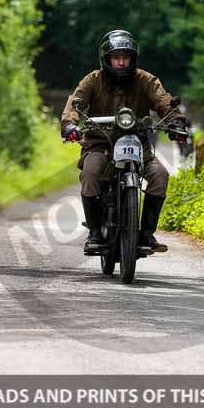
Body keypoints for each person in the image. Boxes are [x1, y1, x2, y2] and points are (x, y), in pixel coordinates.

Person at [61, 29, 185, 254]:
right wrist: (70, 125)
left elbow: (163, 100)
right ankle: (95, 232)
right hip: (100, 144)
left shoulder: (145, 79)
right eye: (116, 57)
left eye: (125, 57)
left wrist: (175, 121)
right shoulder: (93, 79)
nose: (120, 62)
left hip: (137, 144)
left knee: (159, 175)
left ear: (133, 58)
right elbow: (75, 102)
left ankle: (147, 233)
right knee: (90, 174)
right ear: (106, 58)